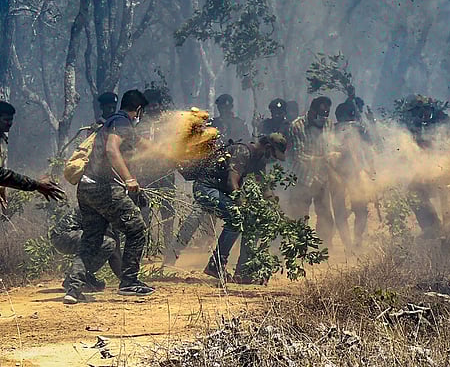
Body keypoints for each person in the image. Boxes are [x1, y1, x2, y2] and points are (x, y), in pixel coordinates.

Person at [64, 89, 153, 304]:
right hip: (104, 189)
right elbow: (112, 150)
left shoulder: (114, 122)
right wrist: (129, 179)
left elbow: (144, 145)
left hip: (86, 188)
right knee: (137, 229)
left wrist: (171, 152)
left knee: (91, 239)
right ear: (138, 109)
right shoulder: (122, 122)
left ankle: (73, 289)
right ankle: (129, 281)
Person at [169, 133, 287, 283]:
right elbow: (232, 182)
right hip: (206, 188)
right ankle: (215, 265)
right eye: (273, 155)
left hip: (221, 192)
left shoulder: (259, 160)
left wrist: (275, 208)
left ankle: (244, 272)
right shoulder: (242, 151)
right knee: (235, 218)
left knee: (253, 220)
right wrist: (242, 203)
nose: (272, 159)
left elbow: (264, 187)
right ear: (268, 147)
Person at [398, 95, 450, 239]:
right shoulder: (416, 124)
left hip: (447, 168)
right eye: (415, 112)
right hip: (427, 170)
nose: (417, 114)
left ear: (428, 108)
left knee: (448, 200)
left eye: (419, 110)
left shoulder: (445, 121)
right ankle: (432, 228)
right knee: (412, 192)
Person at [0, 101, 66, 215]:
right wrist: (36, 185)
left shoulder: (2, 137)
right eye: (6, 120)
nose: (9, 123)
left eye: (11, 120)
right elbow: (1, 175)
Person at [135, 87, 177, 255]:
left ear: (160, 105)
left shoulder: (168, 124)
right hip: (145, 173)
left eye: (155, 105)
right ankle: (145, 247)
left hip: (166, 173)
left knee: (167, 209)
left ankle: (168, 245)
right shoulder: (139, 126)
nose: (153, 108)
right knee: (144, 210)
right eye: (149, 106)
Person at [289, 96, 335, 248]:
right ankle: (299, 250)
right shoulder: (297, 125)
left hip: (322, 178)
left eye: (326, 114)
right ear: (312, 111)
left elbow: (330, 147)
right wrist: (323, 158)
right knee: (299, 216)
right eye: (321, 114)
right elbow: (299, 155)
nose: (323, 118)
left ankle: (323, 249)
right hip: (302, 179)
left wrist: (335, 155)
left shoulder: (328, 124)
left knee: (325, 216)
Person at [330, 101, 372, 249]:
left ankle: (355, 243)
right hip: (339, 175)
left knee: (358, 210)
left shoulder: (358, 129)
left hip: (354, 173)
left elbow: (369, 148)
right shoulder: (334, 130)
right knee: (346, 211)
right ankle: (351, 244)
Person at [52, 206, 122, 293]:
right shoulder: (107, 211)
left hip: (60, 237)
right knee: (108, 243)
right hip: (66, 235)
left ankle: (83, 277)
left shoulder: (102, 205)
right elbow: (115, 255)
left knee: (102, 243)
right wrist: (127, 280)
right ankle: (76, 278)